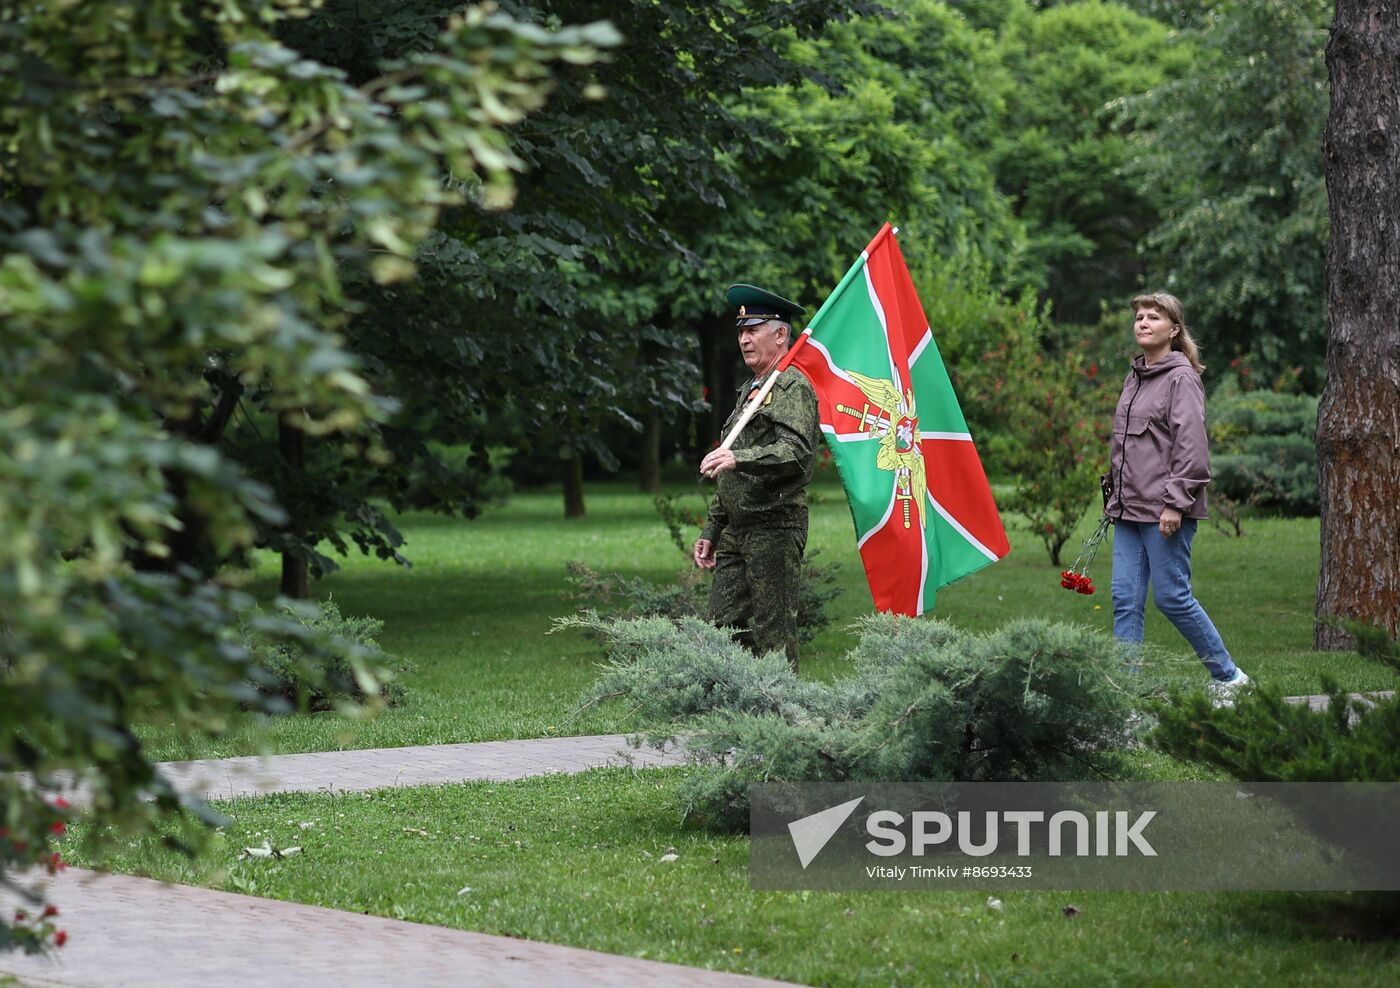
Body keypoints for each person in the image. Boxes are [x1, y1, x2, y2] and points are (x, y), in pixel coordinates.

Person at [1105, 291, 1249, 700]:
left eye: (1154, 317)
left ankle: (1229, 678)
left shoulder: (1180, 377)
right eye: (1139, 318)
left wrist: (1175, 503)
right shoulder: (1135, 376)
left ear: (1174, 329)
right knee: (1125, 601)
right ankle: (1124, 697)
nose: (1144, 323)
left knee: (1172, 597)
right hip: (1128, 510)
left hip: (1165, 510)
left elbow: (1191, 447)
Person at [693, 284, 820, 672]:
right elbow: (730, 474)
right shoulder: (751, 389)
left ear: (781, 334)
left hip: (774, 526)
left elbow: (796, 454)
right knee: (721, 626)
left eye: (754, 330)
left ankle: (786, 721)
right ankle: (743, 708)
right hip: (738, 529)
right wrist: (712, 530)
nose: (744, 339)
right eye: (741, 331)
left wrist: (738, 457)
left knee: (773, 633)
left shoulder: (792, 387)